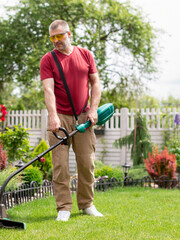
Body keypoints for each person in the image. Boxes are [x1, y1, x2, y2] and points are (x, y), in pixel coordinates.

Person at [40, 20, 103, 221]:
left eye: (60, 36)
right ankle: (64, 208)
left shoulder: (86, 55)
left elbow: (96, 84)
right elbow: (48, 89)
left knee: (87, 163)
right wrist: (53, 116)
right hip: (60, 119)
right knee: (60, 166)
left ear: (69, 34)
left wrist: (93, 110)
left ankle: (86, 205)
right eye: (52, 37)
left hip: (84, 118)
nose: (56, 40)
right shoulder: (48, 60)